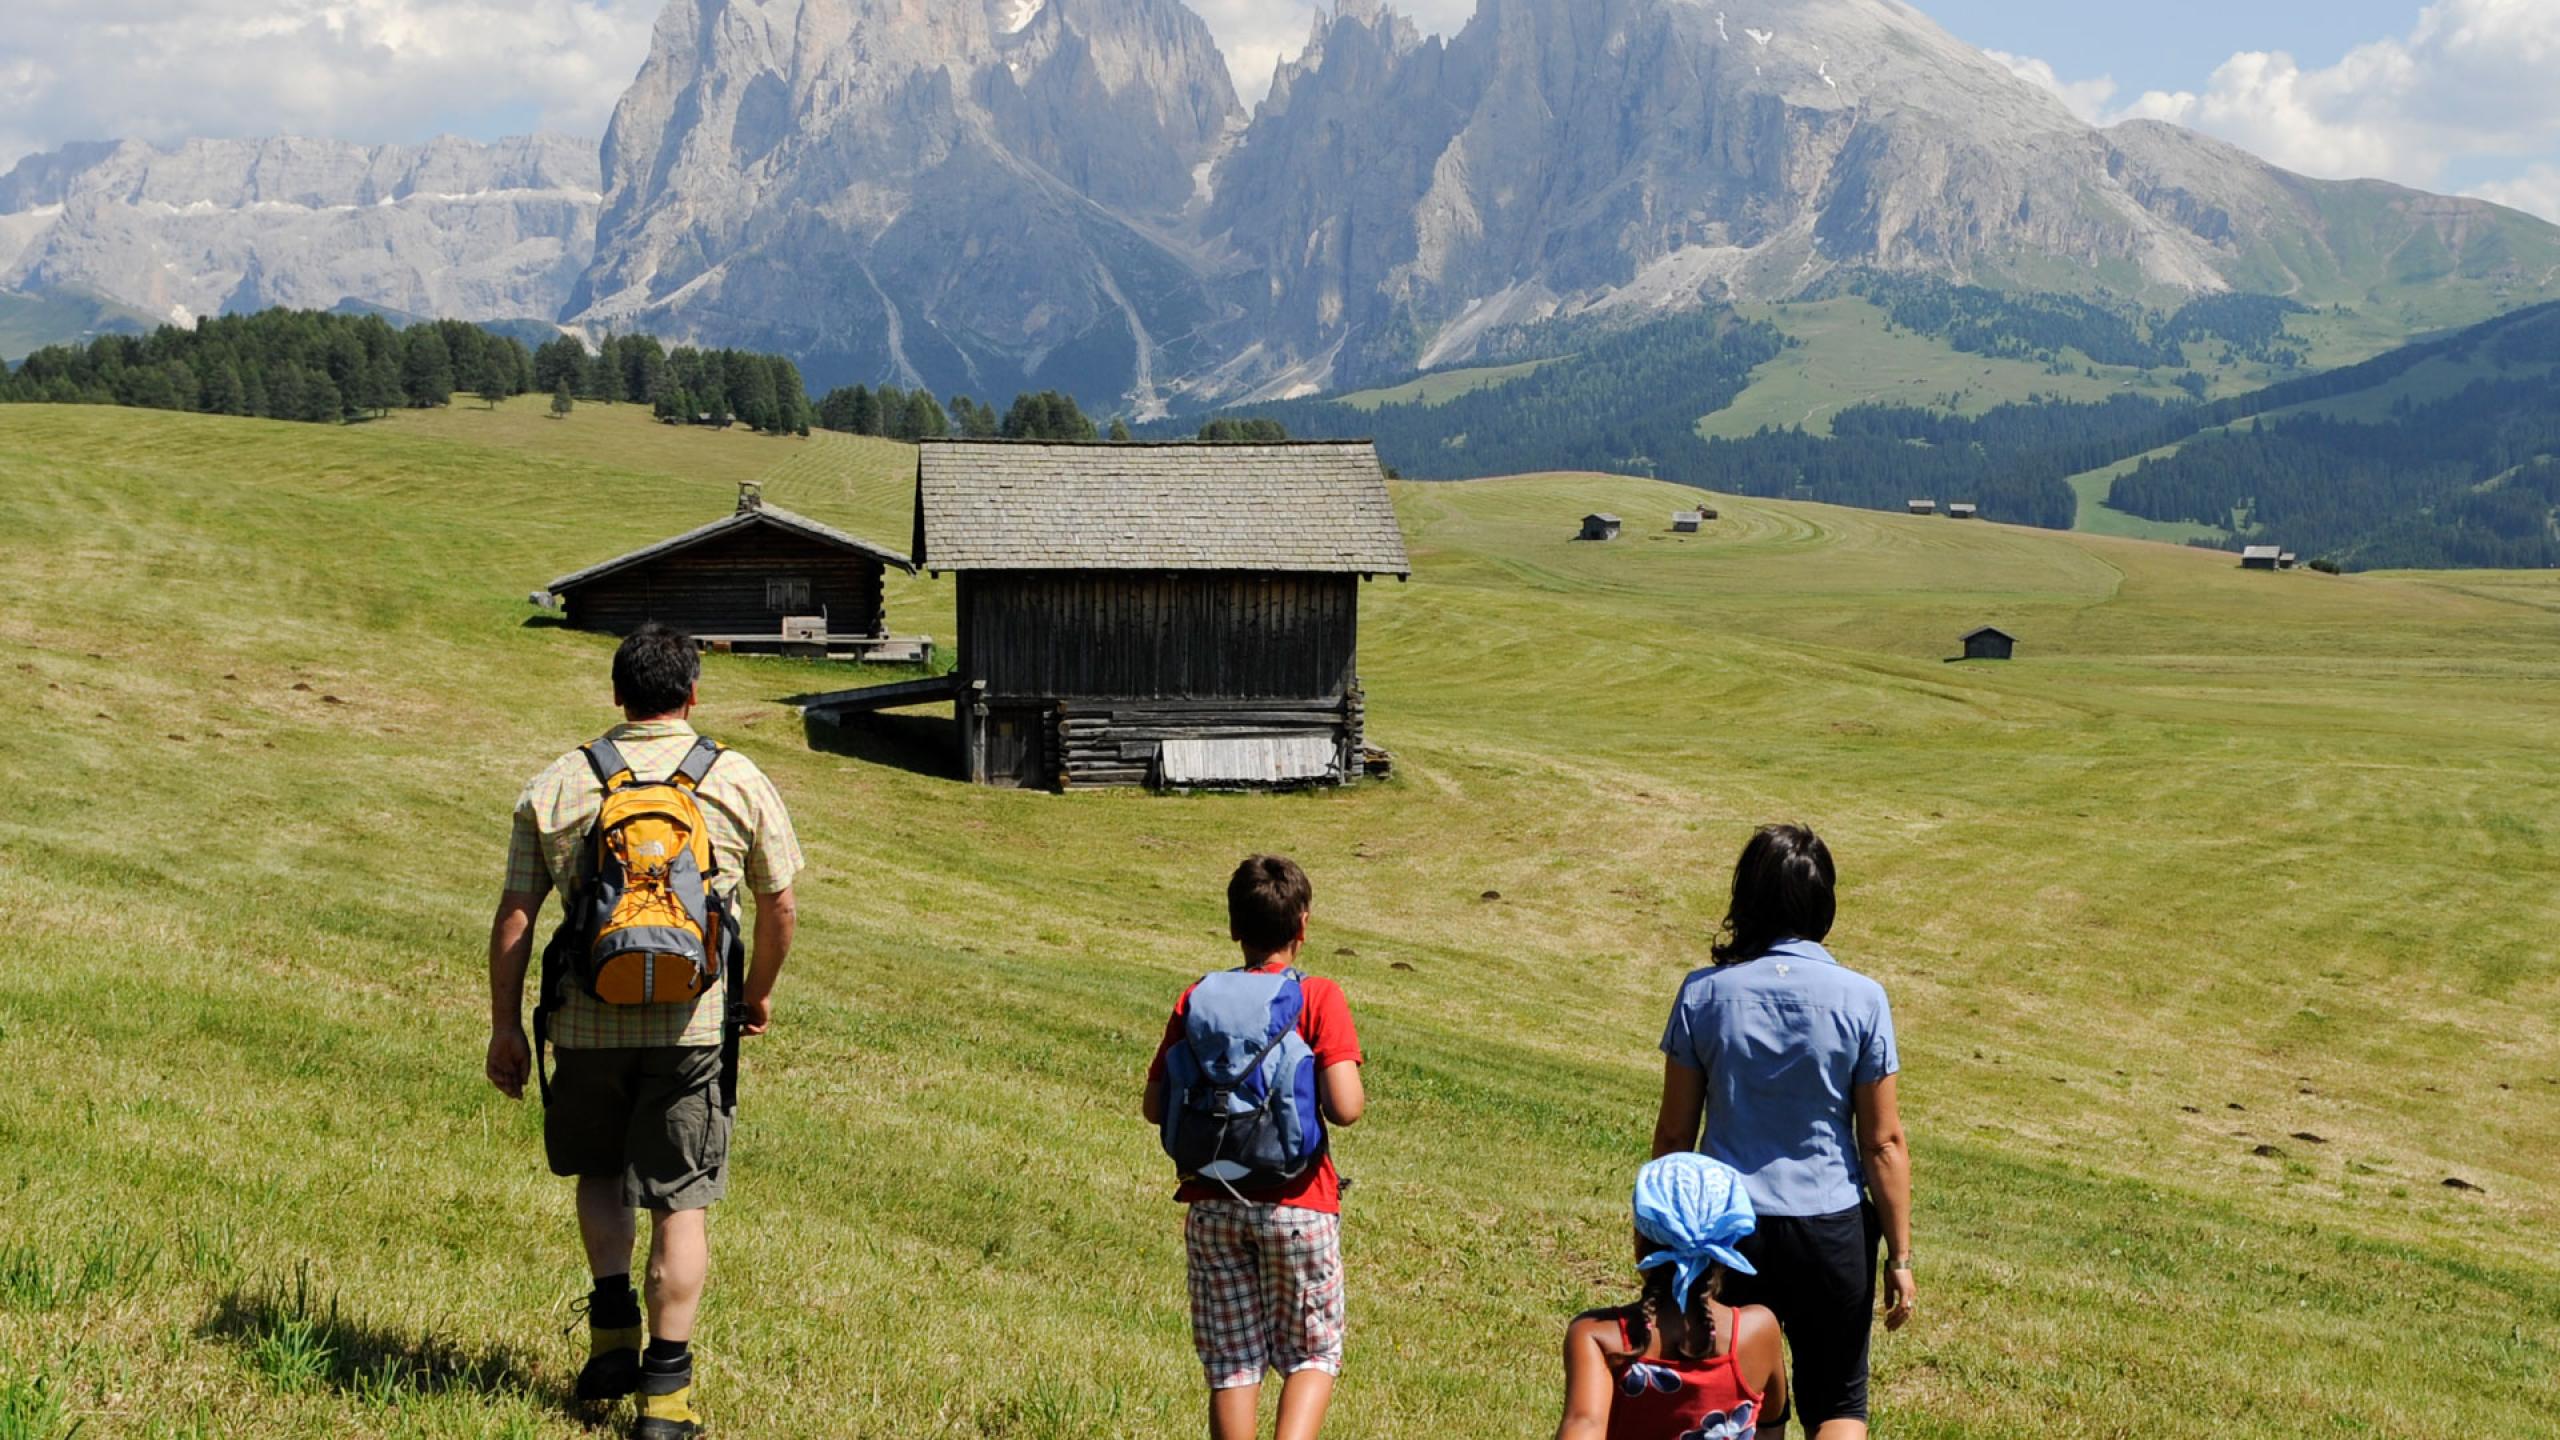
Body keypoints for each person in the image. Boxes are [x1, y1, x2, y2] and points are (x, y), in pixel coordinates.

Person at [484, 622, 803, 1440]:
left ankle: (610, 1335)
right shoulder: (735, 779)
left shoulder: (560, 783)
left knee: (599, 1171)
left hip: (585, 1024)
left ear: (617, 694)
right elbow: (780, 905)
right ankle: (665, 1399)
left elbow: (517, 914)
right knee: (679, 1203)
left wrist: (505, 1026)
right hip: (692, 1027)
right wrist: (756, 994)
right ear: (692, 693)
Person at [1651, 825, 1912, 1440]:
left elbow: (1674, 1135)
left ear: (1747, 898)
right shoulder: (1864, 999)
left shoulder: (1702, 994)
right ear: (1824, 902)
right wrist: (1900, 1257)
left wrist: (1662, 1239)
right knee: (1839, 1403)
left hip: (1727, 1231)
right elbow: (1882, 1142)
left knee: (1742, 1399)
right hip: (1831, 1227)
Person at [1143, 856, 1367, 1440]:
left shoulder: (1197, 999)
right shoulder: (1318, 996)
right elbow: (1345, 1107)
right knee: (1312, 1353)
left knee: (1232, 1363)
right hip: (1299, 1204)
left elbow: (1154, 1106)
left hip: (1211, 1202)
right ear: (1303, 925)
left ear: (1233, 926)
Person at [1554, 1153, 1787, 1440]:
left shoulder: (1598, 1337)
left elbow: (1585, 1426)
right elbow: (1770, 1427)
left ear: (1641, 1241)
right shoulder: (1758, 1330)